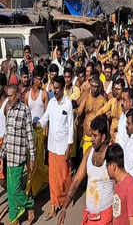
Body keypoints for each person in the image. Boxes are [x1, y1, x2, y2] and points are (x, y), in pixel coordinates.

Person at [58, 115, 114, 225]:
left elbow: (120, 184)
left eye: (95, 136)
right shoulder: (89, 152)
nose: (91, 139)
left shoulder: (112, 154)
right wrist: (65, 207)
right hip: (89, 217)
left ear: (103, 137)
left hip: (107, 217)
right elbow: (77, 180)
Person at [37, 75, 74, 220]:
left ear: (63, 88)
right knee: (53, 179)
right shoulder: (51, 103)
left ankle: (66, 199)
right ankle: (54, 205)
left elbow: (70, 126)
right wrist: (34, 125)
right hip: (52, 147)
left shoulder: (68, 103)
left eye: (58, 88)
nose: (56, 91)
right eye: (54, 87)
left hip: (63, 146)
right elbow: (44, 119)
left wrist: (69, 146)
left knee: (64, 177)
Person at [0, 84, 35, 225]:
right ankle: (15, 219)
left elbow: (29, 135)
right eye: (7, 96)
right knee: (10, 190)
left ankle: (29, 205)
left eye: (11, 96)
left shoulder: (25, 110)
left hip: (19, 157)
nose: (8, 99)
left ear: (18, 95)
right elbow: (7, 134)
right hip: (9, 155)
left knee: (15, 190)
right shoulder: (9, 109)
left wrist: (32, 157)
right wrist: (1, 153)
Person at [25, 66, 49, 198]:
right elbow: (25, 114)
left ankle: (33, 188)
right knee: (30, 163)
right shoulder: (27, 95)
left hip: (40, 133)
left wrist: (46, 135)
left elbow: (47, 115)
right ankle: (32, 188)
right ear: (33, 79)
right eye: (39, 79)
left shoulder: (44, 94)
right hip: (29, 134)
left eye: (42, 79)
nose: (40, 82)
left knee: (38, 162)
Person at [106, 143, 133, 225]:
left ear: (113, 166)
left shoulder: (130, 186)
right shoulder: (117, 182)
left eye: (107, 165)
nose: (106, 169)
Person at [77, 76, 107, 153]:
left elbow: (108, 116)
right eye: (92, 86)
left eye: (96, 86)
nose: (94, 89)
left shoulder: (102, 100)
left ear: (99, 87)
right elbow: (79, 112)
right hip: (87, 136)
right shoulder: (86, 97)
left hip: (98, 138)